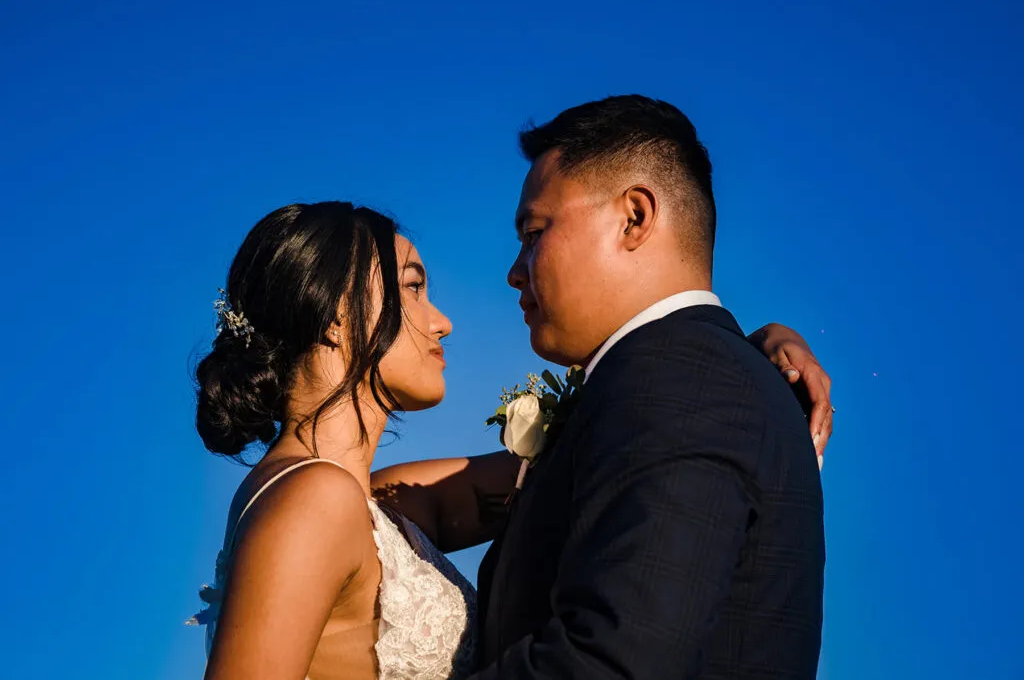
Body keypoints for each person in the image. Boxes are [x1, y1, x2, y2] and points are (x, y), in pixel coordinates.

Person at [189, 194, 830, 679]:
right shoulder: (314, 500)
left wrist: (737, 352)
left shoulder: (376, 505)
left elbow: (598, 454)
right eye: (413, 288)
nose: (441, 323)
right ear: (335, 317)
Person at [472, 95, 827, 679]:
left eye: (534, 232)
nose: (515, 270)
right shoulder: (683, 372)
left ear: (635, 217)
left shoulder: (683, 377)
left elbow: (611, 662)